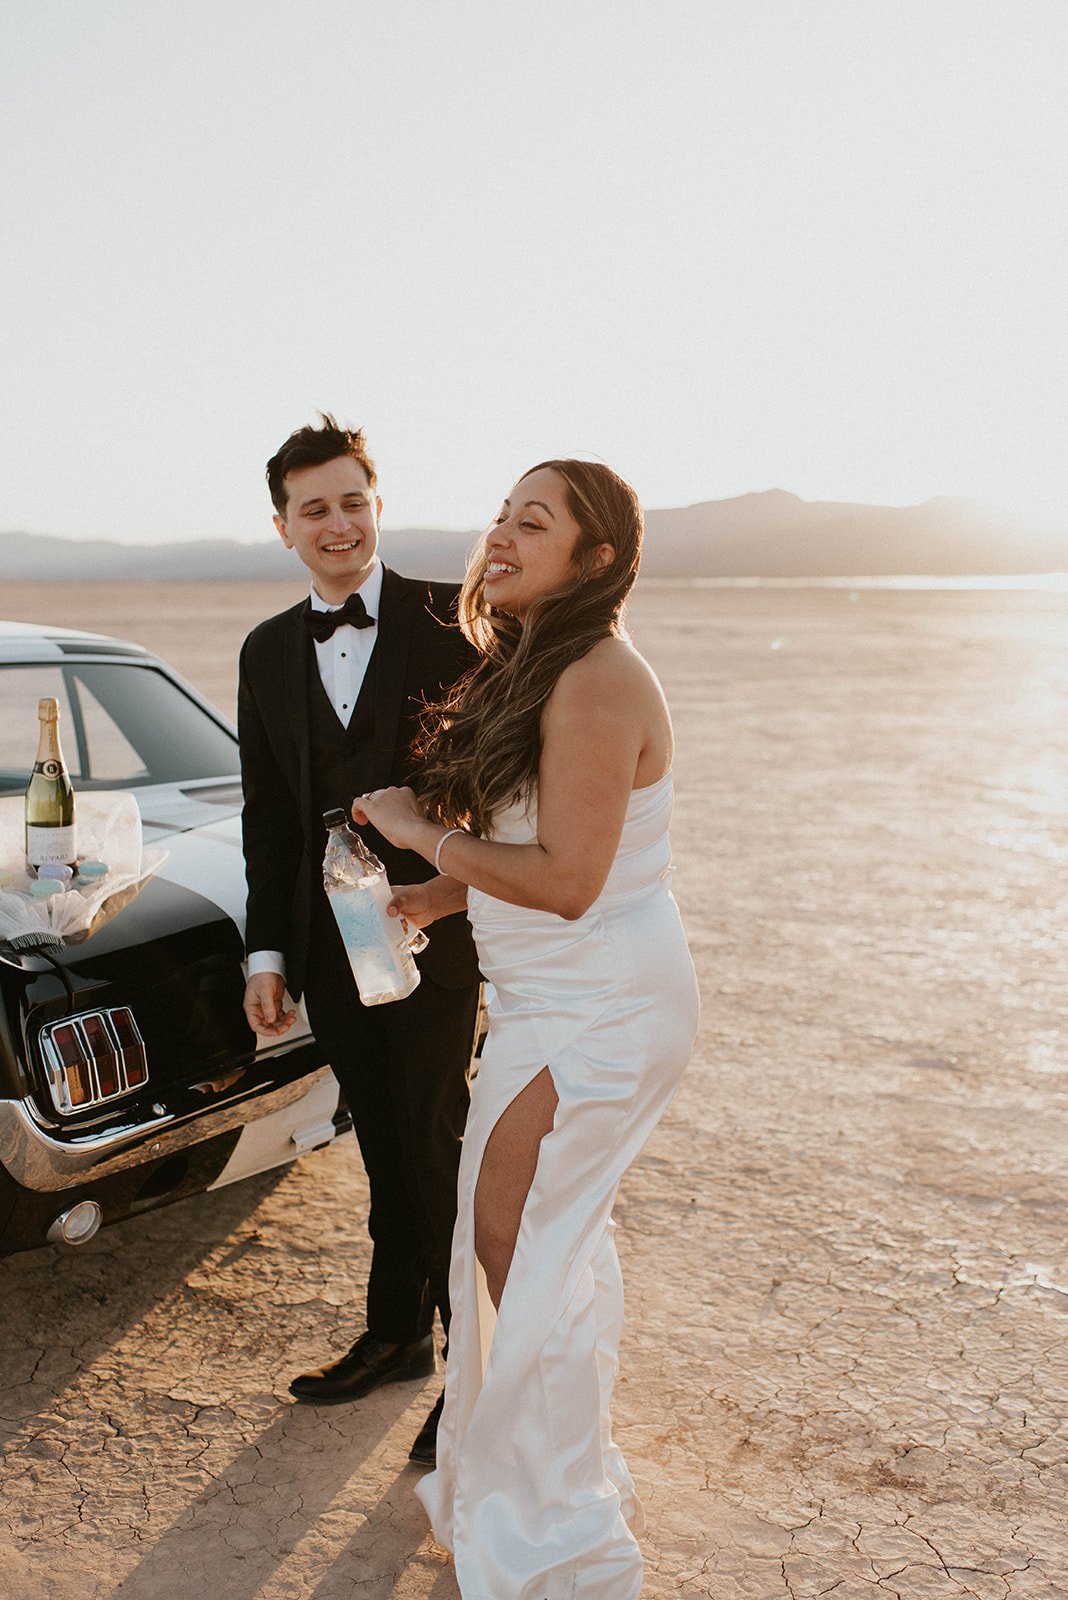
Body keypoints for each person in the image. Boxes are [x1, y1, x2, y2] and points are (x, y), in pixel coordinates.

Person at [352, 459, 700, 1599]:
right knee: (539, 1244)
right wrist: (436, 898)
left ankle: (560, 1535)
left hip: (598, 1007)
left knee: (518, 1246)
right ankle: (556, 1476)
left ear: (593, 560)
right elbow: (539, 846)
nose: (500, 534)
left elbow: (571, 880)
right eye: (503, 514)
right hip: (559, 1000)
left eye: (532, 523)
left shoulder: (597, 679)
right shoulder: (542, 662)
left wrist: (422, 837)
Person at [237, 414, 481, 1465]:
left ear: (377, 502)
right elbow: (267, 817)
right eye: (312, 509)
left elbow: (501, 789)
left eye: (351, 500)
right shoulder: (262, 651)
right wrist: (266, 954)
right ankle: (396, 1337)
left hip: (435, 930)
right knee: (379, 1137)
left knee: (434, 1140)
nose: (335, 523)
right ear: (283, 526)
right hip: (327, 951)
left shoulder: (454, 620)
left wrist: (450, 891)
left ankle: (476, 1370)